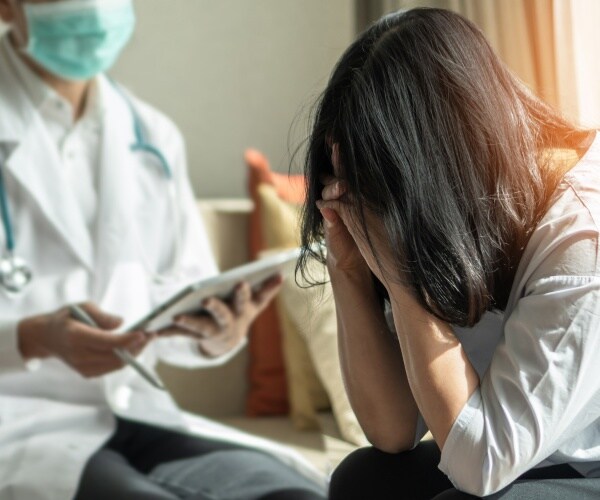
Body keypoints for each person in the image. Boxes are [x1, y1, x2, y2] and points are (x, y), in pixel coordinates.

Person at [0, 0, 327, 499]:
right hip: (18, 421)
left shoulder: (152, 136)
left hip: (136, 410)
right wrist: (35, 338)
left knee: (295, 495)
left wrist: (215, 334)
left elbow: (174, 306)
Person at [298, 7, 600, 500]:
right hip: (518, 454)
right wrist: (350, 266)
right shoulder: (454, 211)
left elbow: (482, 464)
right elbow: (393, 431)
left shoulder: (583, 238)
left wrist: (398, 273)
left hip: (586, 467)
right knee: (364, 481)